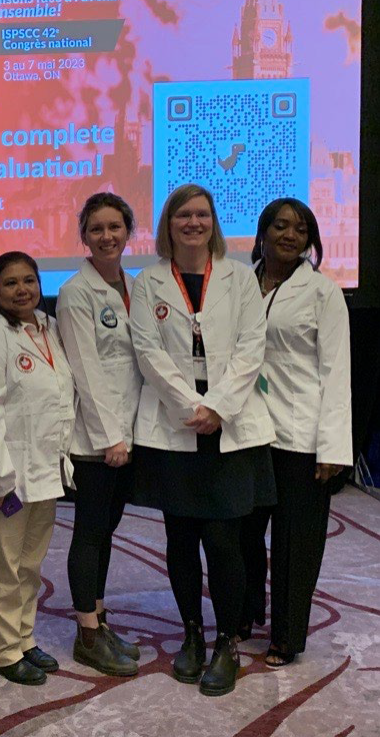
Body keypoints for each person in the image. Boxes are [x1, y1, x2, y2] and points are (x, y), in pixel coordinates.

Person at [130, 183, 276, 697]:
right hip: (176, 423)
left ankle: (227, 643)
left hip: (229, 422)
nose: (193, 223)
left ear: (213, 222)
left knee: (224, 540)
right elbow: (147, 350)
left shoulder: (239, 277)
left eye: (201, 215)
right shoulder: (148, 281)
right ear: (168, 225)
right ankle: (192, 633)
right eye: (182, 216)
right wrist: (188, 406)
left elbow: (250, 347)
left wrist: (217, 406)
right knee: (180, 539)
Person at [238, 198, 352, 666]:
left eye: (301, 229)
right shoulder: (241, 284)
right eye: (281, 225)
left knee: (295, 542)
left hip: (301, 437)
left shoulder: (322, 292)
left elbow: (337, 370)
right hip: (246, 431)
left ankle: (286, 636)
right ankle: (244, 613)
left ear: (311, 241)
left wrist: (333, 447)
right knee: (243, 533)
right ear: (262, 232)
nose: (290, 235)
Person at [0, 252, 74, 686]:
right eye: (11, 283)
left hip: (46, 472)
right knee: (2, 568)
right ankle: (3, 651)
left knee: (30, 564)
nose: (22, 290)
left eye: (29, 280)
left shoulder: (47, 328)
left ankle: (24, 639)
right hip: (5, 479)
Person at [56, 193, 143, 677]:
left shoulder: (133, 287)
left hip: (128, 435)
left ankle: (100, 619)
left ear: (128, 231)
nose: (107, 236)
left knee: (106, 533)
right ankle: (87, 634)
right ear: (84, 236)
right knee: (89, 534)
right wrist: (110, 436)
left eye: (115, 227)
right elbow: (84, 370)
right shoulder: (76, 292)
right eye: (96, 229)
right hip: (96, 442)